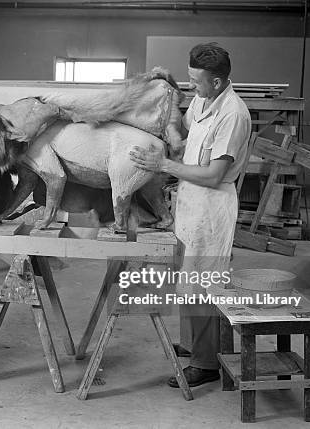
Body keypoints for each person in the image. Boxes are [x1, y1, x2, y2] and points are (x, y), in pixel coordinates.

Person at [130, 43, 251, 387]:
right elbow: (183, 130)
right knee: (188, 278)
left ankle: (206, 363)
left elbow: (214, 174)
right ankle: (192, 344)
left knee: (203, 284)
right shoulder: (203, 100)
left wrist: (165, 164)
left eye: (196, 81)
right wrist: (170, 127)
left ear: (217, 82)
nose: (191, 86)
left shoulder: (233, 114)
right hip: (190, 199)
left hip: (212, 205)